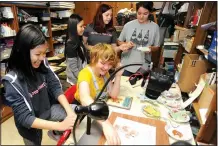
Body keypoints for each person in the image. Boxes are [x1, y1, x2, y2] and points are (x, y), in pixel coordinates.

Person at [2, 24, 77, 145]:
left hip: (46, 109)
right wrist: (60, 126)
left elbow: (55, 87)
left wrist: (69, 112)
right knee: (34, 141)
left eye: (44, 53)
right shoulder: (12, 81)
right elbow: (25, 118)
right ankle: (56, 131)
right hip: (30, 125)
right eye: (38, 54)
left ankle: (55, 133)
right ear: (23, 52)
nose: (42, 58)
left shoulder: (42, 63)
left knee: (76, 112)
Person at [74, 43, 122, 145]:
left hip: (97, 113)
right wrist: (105, 123)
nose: (106, 67)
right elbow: (85, 98)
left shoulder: (104, 73)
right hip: (84, 114)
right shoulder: (85, 73)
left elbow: (113, 94)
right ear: (93, 59)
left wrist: (118, 76)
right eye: (103, 63)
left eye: (109, 64)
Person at [118, 1, 160, 76]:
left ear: (149, 13)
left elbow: (157, 47)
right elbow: (119, 41)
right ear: (136, 11)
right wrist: (126, 44)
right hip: (126, 65)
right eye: (139, 13)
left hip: (143, 67)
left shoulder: (155, 27)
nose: (141, 16)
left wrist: (151, 48)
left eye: (145, 14)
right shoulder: (128, 25)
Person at [65, 14, 89, 85]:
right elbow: (74, 68)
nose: (83, 28)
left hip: (81, 76)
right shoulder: (70, 45)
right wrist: (82, 79)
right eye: (81, 26)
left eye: (83, 26)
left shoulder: (78, 39)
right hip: (76, 80)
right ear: (73, 27)